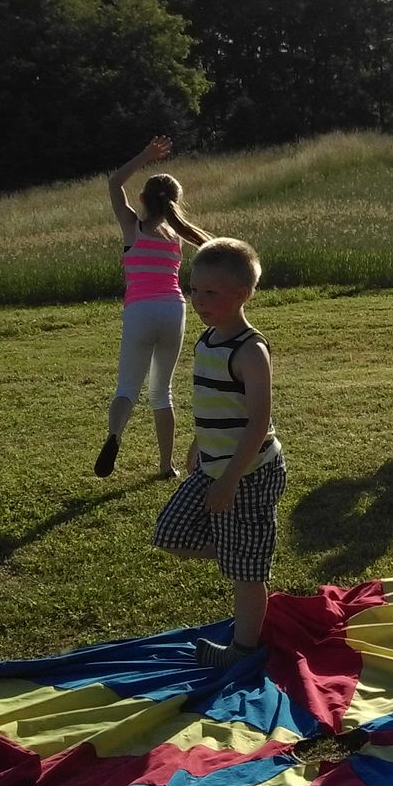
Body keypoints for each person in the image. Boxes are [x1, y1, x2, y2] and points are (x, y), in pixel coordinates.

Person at [152, 238, 286, 667]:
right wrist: (199, 442)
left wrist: (229, 479)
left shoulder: (250, 350)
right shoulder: (206, 340)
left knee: (246, 574)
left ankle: (242, 649)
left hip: (251, 470)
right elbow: (213, 403)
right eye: (194, 290)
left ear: (242, 294)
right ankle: (243, 550)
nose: (199, 300)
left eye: (211, 292)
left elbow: (258, 422)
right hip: (213, 465)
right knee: (171, 533)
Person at [95, 135, 208, 479]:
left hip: (140, 311)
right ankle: (166, 465)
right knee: (162, 392)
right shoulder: (177, 236)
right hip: (173, 310)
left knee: (127, 389)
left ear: (142, 199)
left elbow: (114, 182)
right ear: (175, 202)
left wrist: (145, 155)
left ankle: (115, 435)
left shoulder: (133, 227)